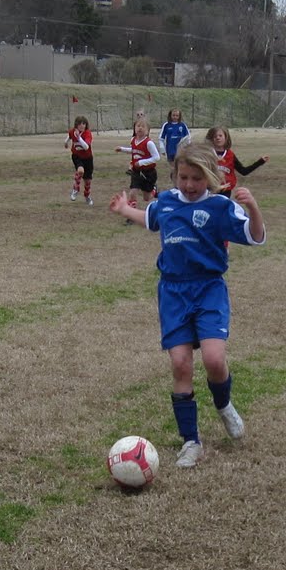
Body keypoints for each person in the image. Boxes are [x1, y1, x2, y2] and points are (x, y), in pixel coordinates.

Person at [110, 139, 266, 469]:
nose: (190, 185)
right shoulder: (166, 202)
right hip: (173, 293)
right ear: (175, 175)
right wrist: (125, 210)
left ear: (210, 176)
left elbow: (254, 237)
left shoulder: (221, 207)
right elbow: (151, 219)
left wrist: (253, 208)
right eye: (183, 177)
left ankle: (223, 406)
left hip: (208, 289)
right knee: (180, 365)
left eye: (197, 179)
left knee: (213, 359)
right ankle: (191, 441)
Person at [117, 115, 162, 213]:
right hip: (137, 172)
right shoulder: (133, 140)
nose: (140, 128)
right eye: (138, 126)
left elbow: (156, 157)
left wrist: (141, 162)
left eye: (143, 126)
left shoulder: (149, 143)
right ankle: (131, 214)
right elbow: (134, 150)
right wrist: (122, 149)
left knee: (147, 198)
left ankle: (154, 190)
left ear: (147, 130)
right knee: (133, 192)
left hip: (149, 173)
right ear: (134, 128)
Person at [207, 125, 267, 192]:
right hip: (209, 191)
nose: (218, 138)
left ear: (226, 137)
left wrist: (260, 162)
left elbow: (243, 171)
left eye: (220, 136)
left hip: (225, 191)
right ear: (210, 139)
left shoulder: (230, 155)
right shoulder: (207, 154)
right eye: (215, 136)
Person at [65, 115, 95, 205]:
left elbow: (86, 147)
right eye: (80, 124)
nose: (82, 125)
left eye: (84, 123)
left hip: (88, 158)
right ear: (76, 125)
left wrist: (79, 138)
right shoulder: (73, 131)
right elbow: (69, 136)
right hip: (77, 156)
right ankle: (75, 189)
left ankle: (87, 196)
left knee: (87, 181)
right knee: (80, 171)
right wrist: (65, 142)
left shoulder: (87, 133)